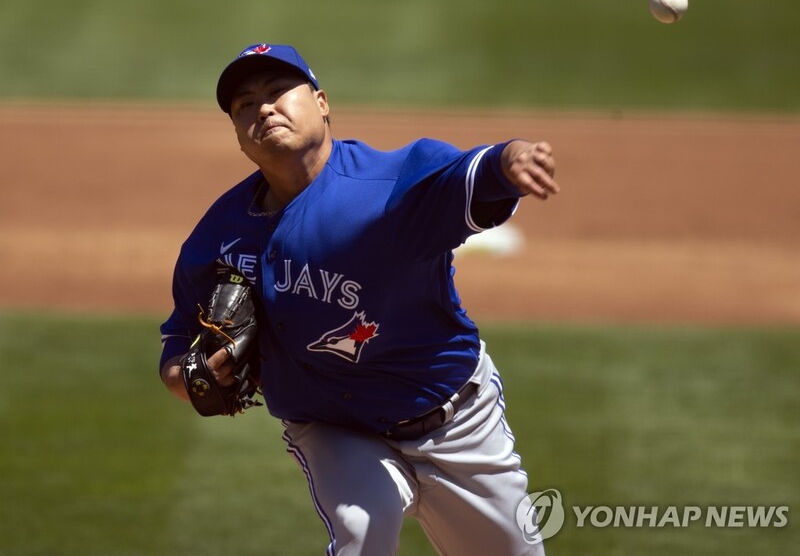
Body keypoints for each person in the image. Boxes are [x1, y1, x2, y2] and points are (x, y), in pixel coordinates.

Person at [160, 43, 560, 555]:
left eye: (278, 91)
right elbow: (178, 343)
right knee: (361, 531)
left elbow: (477, 173)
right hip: (334, 428)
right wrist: (187, 377)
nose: (264, 108)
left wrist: (513, 157)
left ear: (322, 102)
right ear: (238, 134)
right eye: (245, 105)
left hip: (456, 419)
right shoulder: (219, 235)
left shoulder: (390, 185)